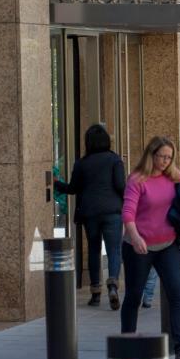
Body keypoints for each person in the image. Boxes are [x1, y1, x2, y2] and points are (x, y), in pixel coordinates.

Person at [121, 136, 180, 359]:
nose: (165, 161)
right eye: (161, 157)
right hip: (139, 246)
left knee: (177, 295)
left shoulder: (174, 178)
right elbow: (128, 212)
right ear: (151, 155)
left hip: (168, 245)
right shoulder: (137, 179)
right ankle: (126, 348)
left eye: (169, 157)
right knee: (134, 297)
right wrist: (135, 237)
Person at [54, 124, 125, 310]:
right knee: (113, 250)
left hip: (90, 213)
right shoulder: (114, 160)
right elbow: (120, 186)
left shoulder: (81, 163)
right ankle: (112, 285)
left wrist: (56, 184)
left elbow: (73, 188)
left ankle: (95, 294)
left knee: (93, 250)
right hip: (112, 212)